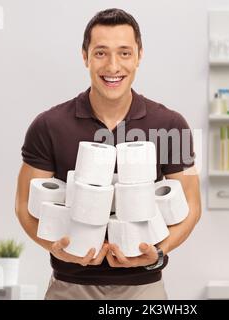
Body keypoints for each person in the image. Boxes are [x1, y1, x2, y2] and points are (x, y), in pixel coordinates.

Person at [15, 8, 201, 300]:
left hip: (144, 288)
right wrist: (53, 247)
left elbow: (191, 205)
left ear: (139, 55)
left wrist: (159, 252)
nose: (113, 66)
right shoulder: (48, 125)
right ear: (85, 56)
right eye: (101, 53)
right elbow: (25, 203)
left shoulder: (172, 125)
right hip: (68, 287)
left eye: (124, 53)